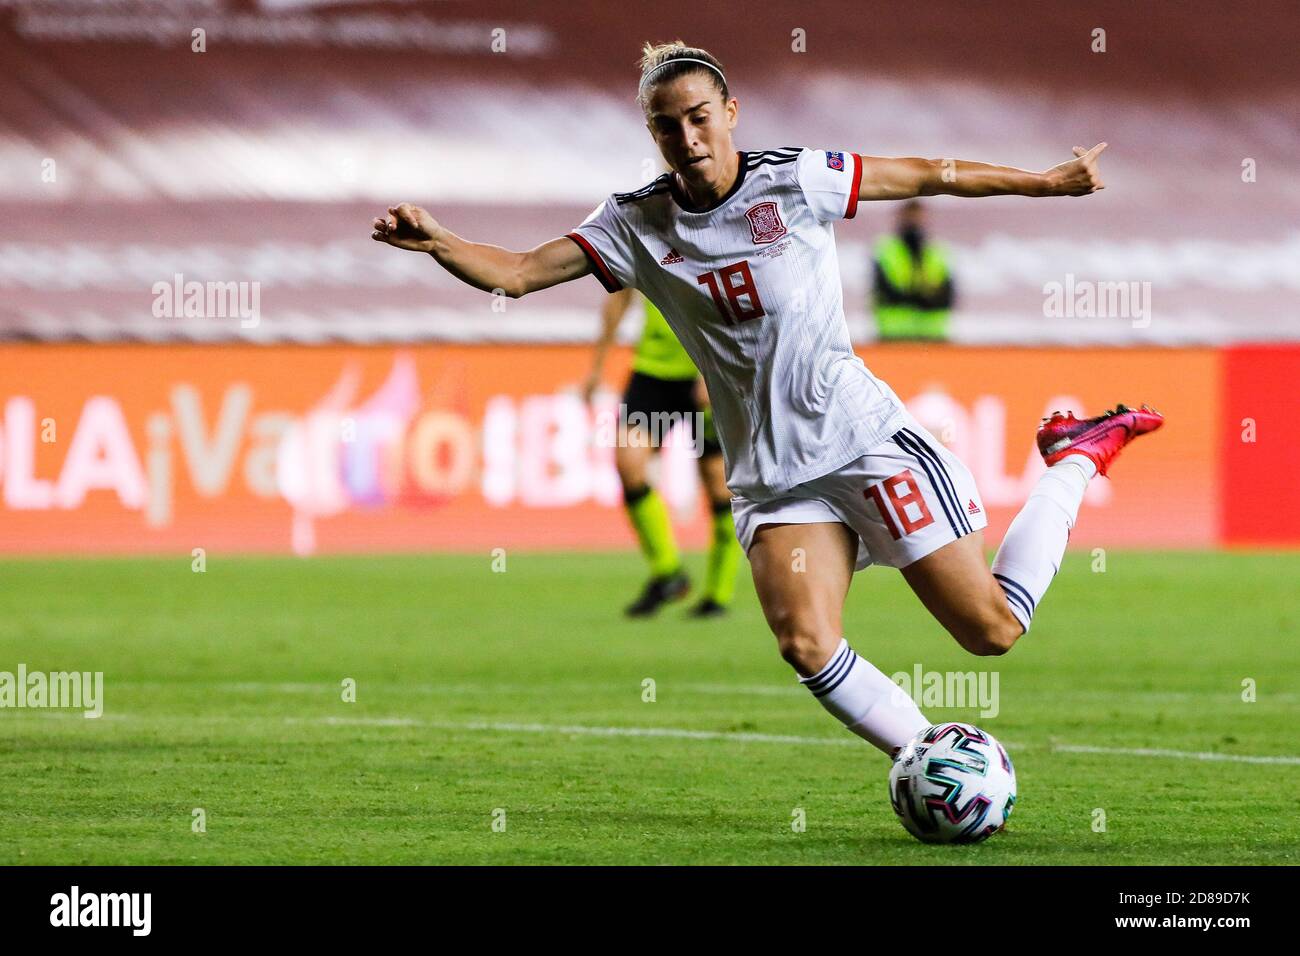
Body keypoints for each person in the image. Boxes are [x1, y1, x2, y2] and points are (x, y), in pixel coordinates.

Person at [370, 40, 1163, 760]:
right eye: (666, 126)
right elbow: (516, 271)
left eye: (699, 117)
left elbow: (923, 173)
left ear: (730, 113)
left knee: (991, 632)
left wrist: (1044, 184)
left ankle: (1072, 457)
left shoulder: (794, 179)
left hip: (860, 440)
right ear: (652, 135)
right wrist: (441, 243)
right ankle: (930, 757)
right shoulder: (635, 221)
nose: (687, 139)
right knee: (806, 642)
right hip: (772, 475)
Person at [582, 287, 742, 617]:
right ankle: (668, 571)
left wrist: (716, 366)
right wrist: (597, 366)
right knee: (629, 463)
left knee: (718, 485)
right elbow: (619, 298)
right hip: (652, 373)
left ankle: (717, 594)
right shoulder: (641, 238)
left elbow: (731, 302)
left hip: (705, 373)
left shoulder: (710, 239)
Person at [872, 200, 954, 341]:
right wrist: (924, 296)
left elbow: (947, 295)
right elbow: (884, 292)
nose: (914, 223)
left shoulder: (938, 252)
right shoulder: (886, 251)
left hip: (933, 336)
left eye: (918, 217)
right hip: (895, 336)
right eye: (910, 217)